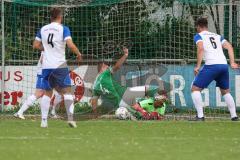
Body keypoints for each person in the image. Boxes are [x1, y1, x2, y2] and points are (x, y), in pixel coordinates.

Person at [33, 8, 82, 128]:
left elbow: (35, 45)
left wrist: (46, 49)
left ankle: (44, 121)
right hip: (60, 66)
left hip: (46, 67)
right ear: (60, 17)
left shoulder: (43, 29)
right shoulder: (63, 29)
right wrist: (78, 54)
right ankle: (70, 119)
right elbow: (70, 44)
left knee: (47, 93)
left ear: (51, 17)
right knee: (67, 92)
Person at [90, 47, 164, 114]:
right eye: (106, 65)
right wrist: (125, 55)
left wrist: (95, 114)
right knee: (149, 89)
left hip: (122, 100)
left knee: (137, 111)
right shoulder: (105, 74)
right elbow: (117, 66)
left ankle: (147, 111)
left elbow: (94, 102)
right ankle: (155, 102)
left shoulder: (95, 86)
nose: (108, 66)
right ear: (102, 67)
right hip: (126, 94)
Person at [191, 17, 239, 121]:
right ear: (207, 26)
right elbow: (229, 46)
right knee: (225, 91)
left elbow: (200, 48)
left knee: (195, 89)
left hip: (212, 65)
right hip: (223, 65)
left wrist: (198, 66)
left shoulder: (198, 35)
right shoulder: (217, 36)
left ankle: (200, 116)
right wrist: (232, 62)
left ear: (198, 26)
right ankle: (234, 116)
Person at [14, 53, 62, 120]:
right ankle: (19, 112)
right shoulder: (47, 48)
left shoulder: (51, 48)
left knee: (59, 92)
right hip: (44, 74)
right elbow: (43, 60)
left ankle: (53, 113)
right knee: (38, 93)